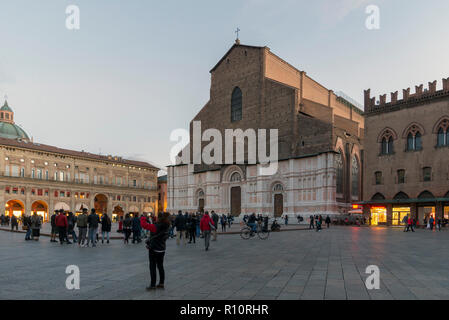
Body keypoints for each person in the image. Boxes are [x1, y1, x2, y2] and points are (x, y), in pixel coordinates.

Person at [140, 212, 170, 290]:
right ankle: (161, 283)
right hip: (162, 249)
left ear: (159, 218)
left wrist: (143, 217)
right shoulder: (167, 226)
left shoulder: (156, 226)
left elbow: (144, 225)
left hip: (154, 249)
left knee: (152, 266)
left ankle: (153, 284)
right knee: (160, 266)